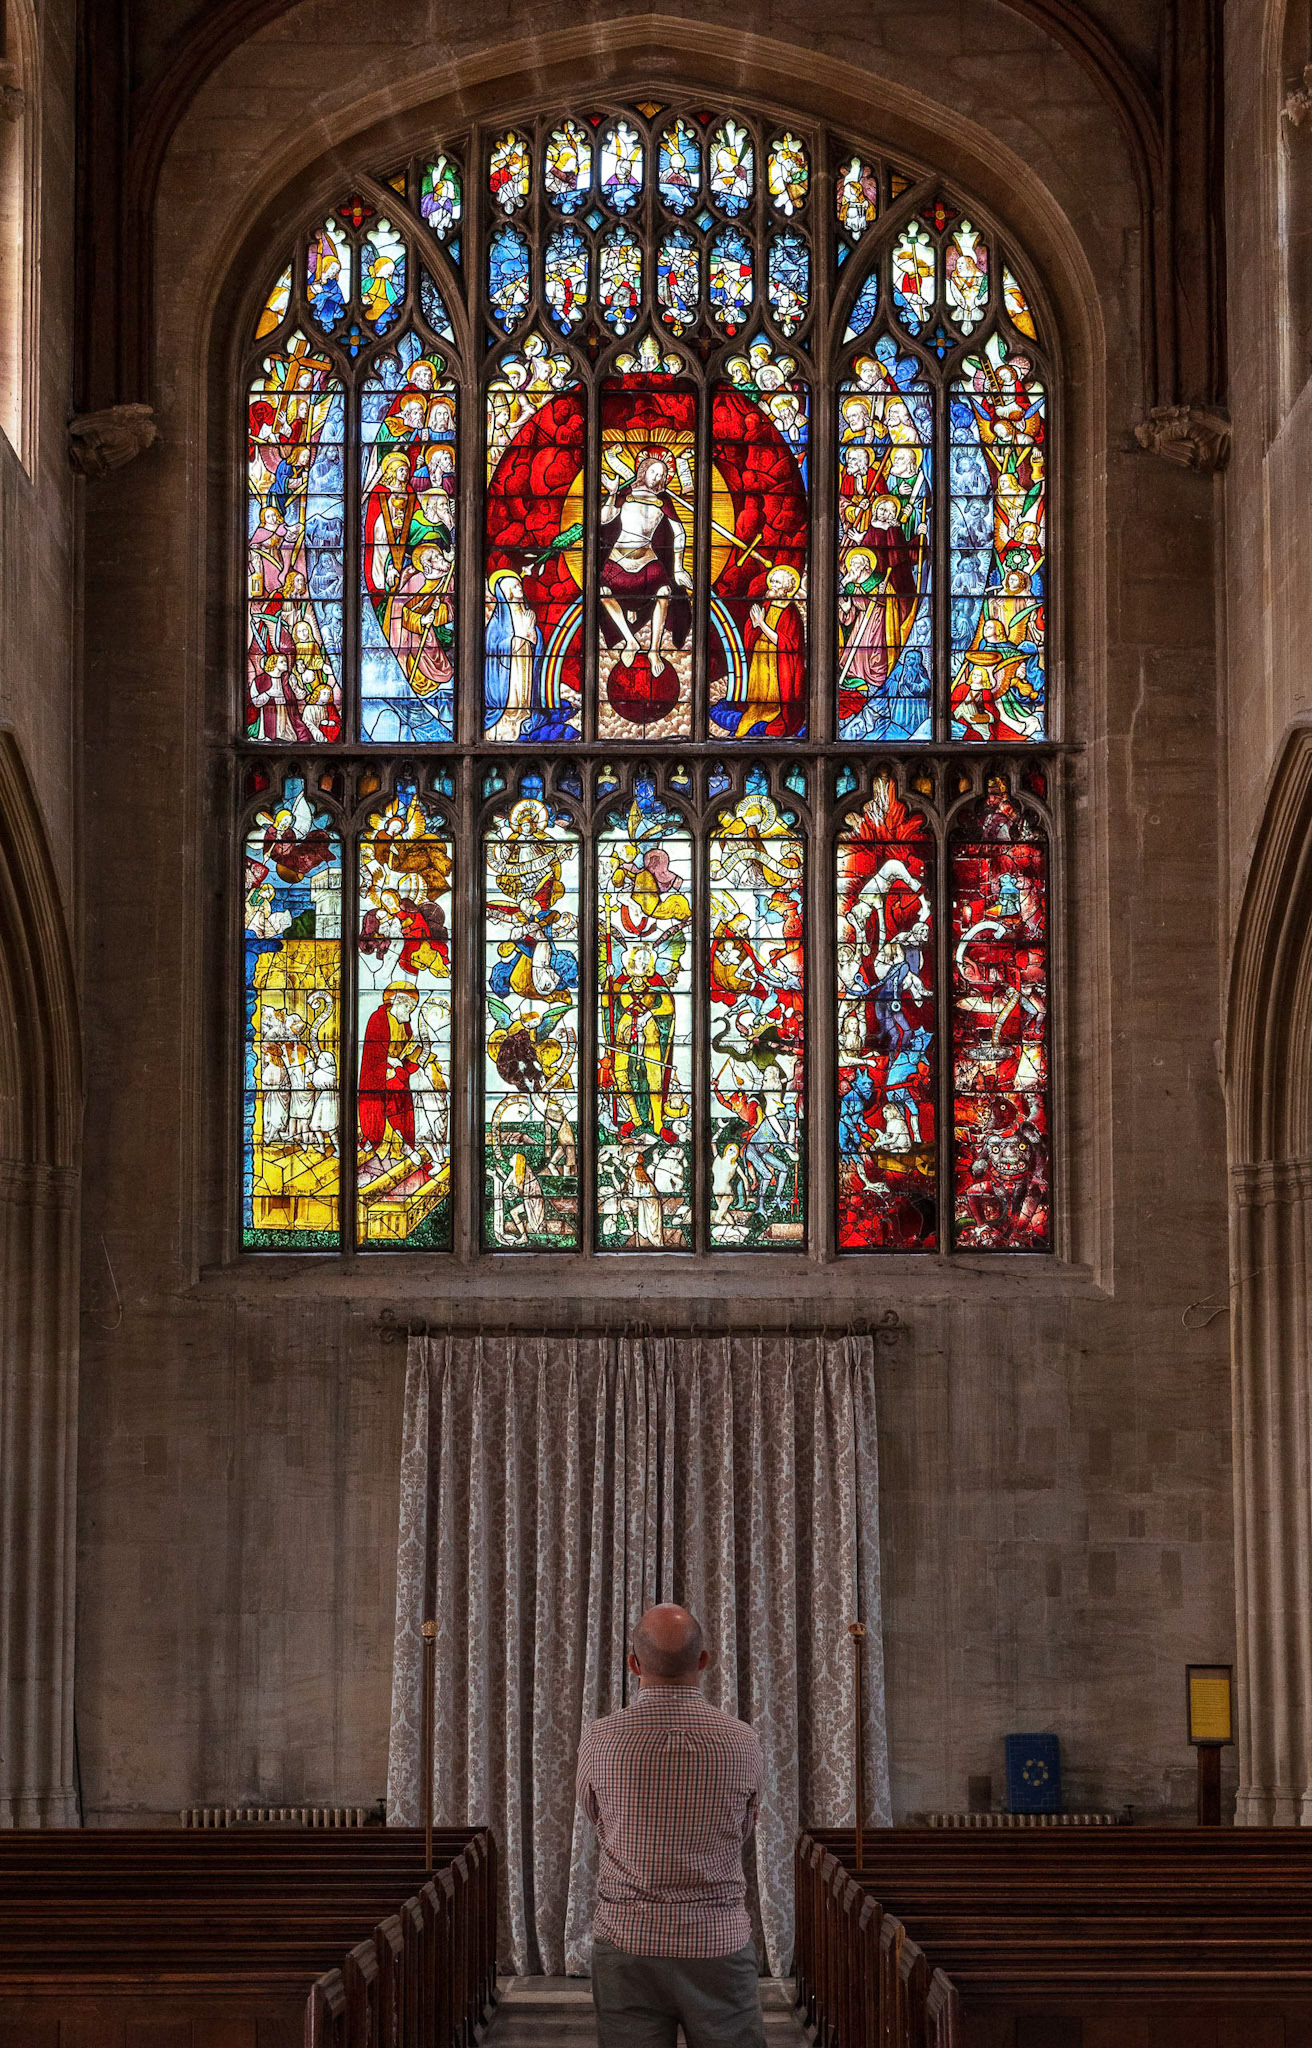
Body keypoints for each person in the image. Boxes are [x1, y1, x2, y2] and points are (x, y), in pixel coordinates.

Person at [577, 1605, 766, 2048]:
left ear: (634, 1664)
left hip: (628, 1938)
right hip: (716, 1938)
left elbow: (595, 1815)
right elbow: (745, 1827)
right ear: (703, 1660)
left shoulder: (600, 1737)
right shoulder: (742, 1740)